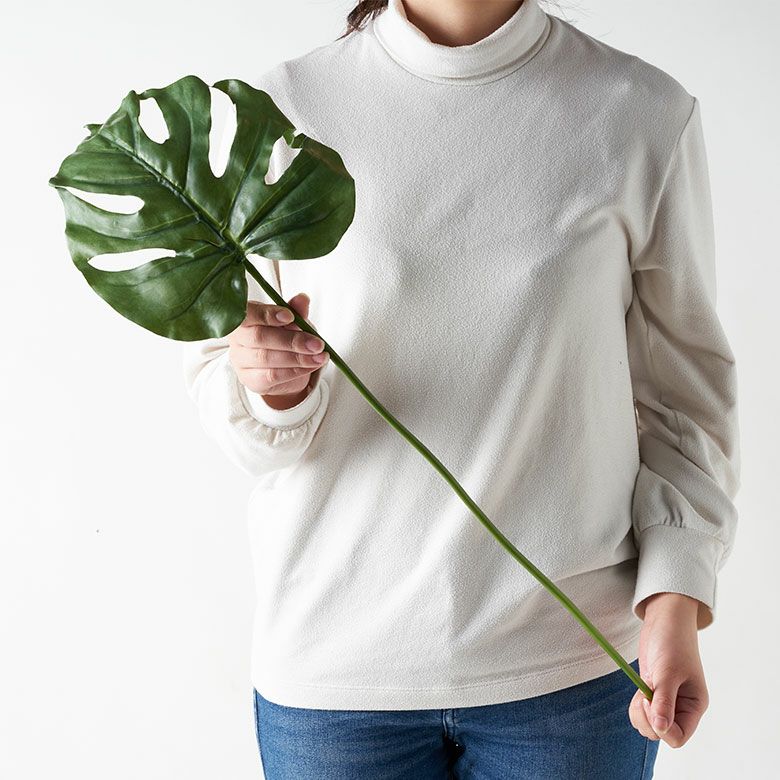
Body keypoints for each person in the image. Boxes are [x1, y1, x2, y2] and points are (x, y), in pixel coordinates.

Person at [181, 0, 741, 776]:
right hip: (337, 675)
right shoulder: (282, 111)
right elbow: (229, 380)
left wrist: (675, 598)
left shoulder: (640, 113)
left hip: (571, 674)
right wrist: (273, 389)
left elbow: (687, 398)